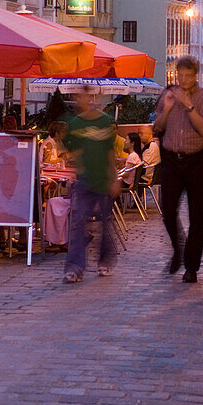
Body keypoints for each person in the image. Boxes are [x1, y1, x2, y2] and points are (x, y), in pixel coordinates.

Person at [152, 55, 203, 283]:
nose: (184, 80)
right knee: (168, 211)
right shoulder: (166, 95)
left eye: (189, 76)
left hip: (195, 161)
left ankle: (191, 266)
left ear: (196, 75)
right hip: (171, 161)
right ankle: (178, 247)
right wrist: (168, 109)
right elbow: (157, 127)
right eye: (181, 75)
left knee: (197, 216)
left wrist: (189, 106)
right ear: (175, 73)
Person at [63, 89, 118, 283]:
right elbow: (75, 151)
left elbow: (110, 152)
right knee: (78, 222)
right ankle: (75, 266)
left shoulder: (105, 121)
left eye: (85, 97)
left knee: (105, 222)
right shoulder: (75, 124)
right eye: (78, 97)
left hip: (103, 178)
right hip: (84, 180)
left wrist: (113, 178)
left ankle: (105, 260)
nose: (82, 101)